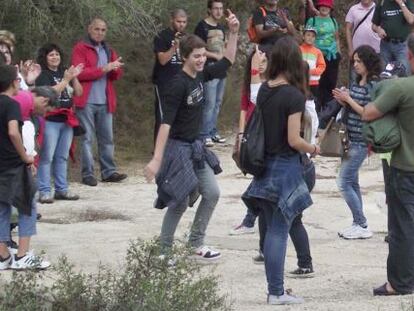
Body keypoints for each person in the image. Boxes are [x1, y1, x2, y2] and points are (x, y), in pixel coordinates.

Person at [144, 10, 240, 261]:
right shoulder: (176, 84)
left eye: (202, 55)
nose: (201, 60)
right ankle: (163, 252)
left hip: (196, 147)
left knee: (212, 193)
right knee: (179, 199)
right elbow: (165, 124)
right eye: (196, 56)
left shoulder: (202, 74)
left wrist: (234, 32)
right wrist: (156, 159)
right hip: (177, 147)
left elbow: (228, 60)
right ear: (183, 56)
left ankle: (195, 242)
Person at [242, 36, 320, 305]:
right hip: (286, 167)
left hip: (264, 167)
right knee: (278, 231)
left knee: (273, 230)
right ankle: (275, 292)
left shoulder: (265, 90)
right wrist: (313, 147)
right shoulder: (294, 95)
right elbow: (293, 140)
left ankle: (275, 289)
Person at [362, 33, 414, 296]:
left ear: (410, 55)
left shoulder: (402, 87)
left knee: (402, 225)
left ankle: (400, 282)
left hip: (405, 167)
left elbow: (369, 112)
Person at [0, 65, 51, 270]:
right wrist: (26, 157)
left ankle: (3, 256)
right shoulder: (11, 104)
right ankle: (22, 256)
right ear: (13, 82)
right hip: (13, 164)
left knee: (2, 208)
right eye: (18, 79)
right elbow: (13, 132)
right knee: (27, 206)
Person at [332, 45, 382, 239]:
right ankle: (358, 222)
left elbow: (367, 112)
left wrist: (349, 100)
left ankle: (361, 223)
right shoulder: (356, 81)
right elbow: (354, 107)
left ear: (368, 62)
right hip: (350, 138)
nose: (356, 65)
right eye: (354, 61)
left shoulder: (374, 85)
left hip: (362, 141)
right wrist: (344, 99)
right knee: (352, 181)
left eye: (359, 61)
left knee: (343, 181)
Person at [72, 17, 126, 186]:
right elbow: (79, 73)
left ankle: (108, 172)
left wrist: (115, 69)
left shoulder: (108, 49)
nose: (100, 32)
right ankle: (88, 174)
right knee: (87, 139)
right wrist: (104, 68)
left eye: (103, 30)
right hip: (86, 100)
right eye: (97, 29)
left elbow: (115, 76)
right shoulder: (80, 48)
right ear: (89, 29)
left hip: (105, 99)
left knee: (107, 138)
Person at [229, 45, 270, 236]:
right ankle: (250, 219)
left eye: (264, 61)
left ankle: (249, 220)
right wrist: (240, 135)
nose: (261, 66)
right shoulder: (249, 85)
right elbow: (244, 109)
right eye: (257, 62)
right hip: (251, 135)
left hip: (265, 135)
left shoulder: (270, 85)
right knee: (257, 175)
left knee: (259, 177)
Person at [35, 43, 83, 203]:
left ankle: (62, 189)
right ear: (45, 58)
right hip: (50, 119)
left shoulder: (65, 72)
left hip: (67, 119)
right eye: (51, 55)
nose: (55, 57)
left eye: (57, 54)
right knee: (46, 156)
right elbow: (49, 93)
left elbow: (79, 92)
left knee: (62, 156)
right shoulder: (43, 74)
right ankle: (44, 190)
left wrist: (74, 77)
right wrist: (66, 79)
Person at [152, 9, 188, 144]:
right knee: (163, 117)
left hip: (182, 82)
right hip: (164, 82)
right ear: (172, 20)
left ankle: (175, 147)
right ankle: (158, 150)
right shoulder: (162, 36)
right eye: (179, 21)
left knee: (180, 116)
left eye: (184, 22)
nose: (181, 25)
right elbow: (162, 60)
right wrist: (174, 47)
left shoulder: (187, 38)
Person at [195, 0, 227, 147]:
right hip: (209, 68)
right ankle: (204, 134)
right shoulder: (202, 26)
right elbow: (199, 49)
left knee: (218, 103)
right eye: (215, 9)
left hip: (221, 69)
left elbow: (224, 45)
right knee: (209, 103)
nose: (219, 12)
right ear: (209, 10)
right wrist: (215, 56)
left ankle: (213, 131)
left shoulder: (221, 27)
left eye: (221, 9)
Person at [306, 0, 341, 111]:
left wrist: (338, 53)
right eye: (322, 5)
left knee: (330, 83)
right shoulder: (313, 20)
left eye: (327, 6)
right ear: (319, 6)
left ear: (330, 8)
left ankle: (327, 111)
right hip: (316, 56)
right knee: (316, 82)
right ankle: (315, 108)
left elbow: (336, 38)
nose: (324, 8)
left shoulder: (333, 21)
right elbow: (307, 37)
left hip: (332, 56)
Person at [372, 0, 414, 75]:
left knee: (404, 73)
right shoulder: (382, 2)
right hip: (385, 46)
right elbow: (374, 25)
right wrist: (378, 30)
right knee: (384, 74)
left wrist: (400, 3)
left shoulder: (407, 1)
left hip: (402, 46)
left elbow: (411, 20)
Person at [346, 0, 380, 83]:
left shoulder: (378, 8)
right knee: (354, 78)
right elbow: (348, 29)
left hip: (375, 51)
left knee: (375, 78)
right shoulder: (353, 9)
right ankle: (352, 95)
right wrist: (350, 49)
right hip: (357, 52)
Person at [300, 26, 326, 106]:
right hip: (300, 81)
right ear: (303, 36)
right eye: (308, 35)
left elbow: (322, 66)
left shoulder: (317, 52)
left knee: (312, 103)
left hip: (313, 83)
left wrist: (311, 72)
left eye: (313, 36)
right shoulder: (298, 49)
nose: (310, 38)